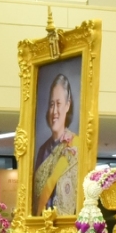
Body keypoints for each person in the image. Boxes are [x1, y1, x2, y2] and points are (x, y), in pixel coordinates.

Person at [31, 71, 80, 215]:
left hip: (67, 231)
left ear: (67, 105)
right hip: (40, 229)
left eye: (58, 104)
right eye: (51, 104)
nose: (54, 111)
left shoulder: (76, 146)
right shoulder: (42, 150)